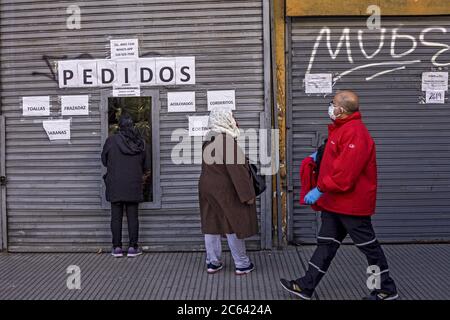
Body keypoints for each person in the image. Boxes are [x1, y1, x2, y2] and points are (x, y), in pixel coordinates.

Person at [280, 90, 398, 300]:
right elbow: (334, 155)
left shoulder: (356, 133)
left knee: (369, 248)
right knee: (326, 244)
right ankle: (306, 286)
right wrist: (318, 156)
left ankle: (385, 289)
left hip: (351, 205)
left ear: (341, 110)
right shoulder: (340, 129)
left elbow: (345, 174)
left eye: (333, 103)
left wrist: (319, 189)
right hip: (334, 204)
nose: (330, 106)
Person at [198, 109, 257, 275]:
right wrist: (248, 195)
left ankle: (212, 262)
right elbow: (237, 171)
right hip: (225, 189)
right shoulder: (226, 141)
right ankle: (242, 263)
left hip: (206, 187)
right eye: (232, 117)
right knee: (233, 223)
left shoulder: (209, 140)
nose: (235, 120)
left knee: (211, 224)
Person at [101, 113, 150, 258]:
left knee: (115, 217)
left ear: (119, 126)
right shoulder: (140, 143)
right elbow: (146, 165)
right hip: (133, 184)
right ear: (132, 125)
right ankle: (133, 248)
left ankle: (116, 248)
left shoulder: (111, 141)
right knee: (133, 217)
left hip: (115, 184)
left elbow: (104, 161)